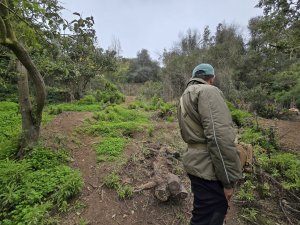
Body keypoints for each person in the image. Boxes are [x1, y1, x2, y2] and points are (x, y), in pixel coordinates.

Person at [178, 63, 242, 225]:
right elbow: (218, 137)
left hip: (195, 163)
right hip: (210, 168)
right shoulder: (208, 91)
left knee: (201, 215)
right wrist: (228, 181)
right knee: (209, 218)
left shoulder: (185, 95)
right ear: (212, 78)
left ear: (194, 77)